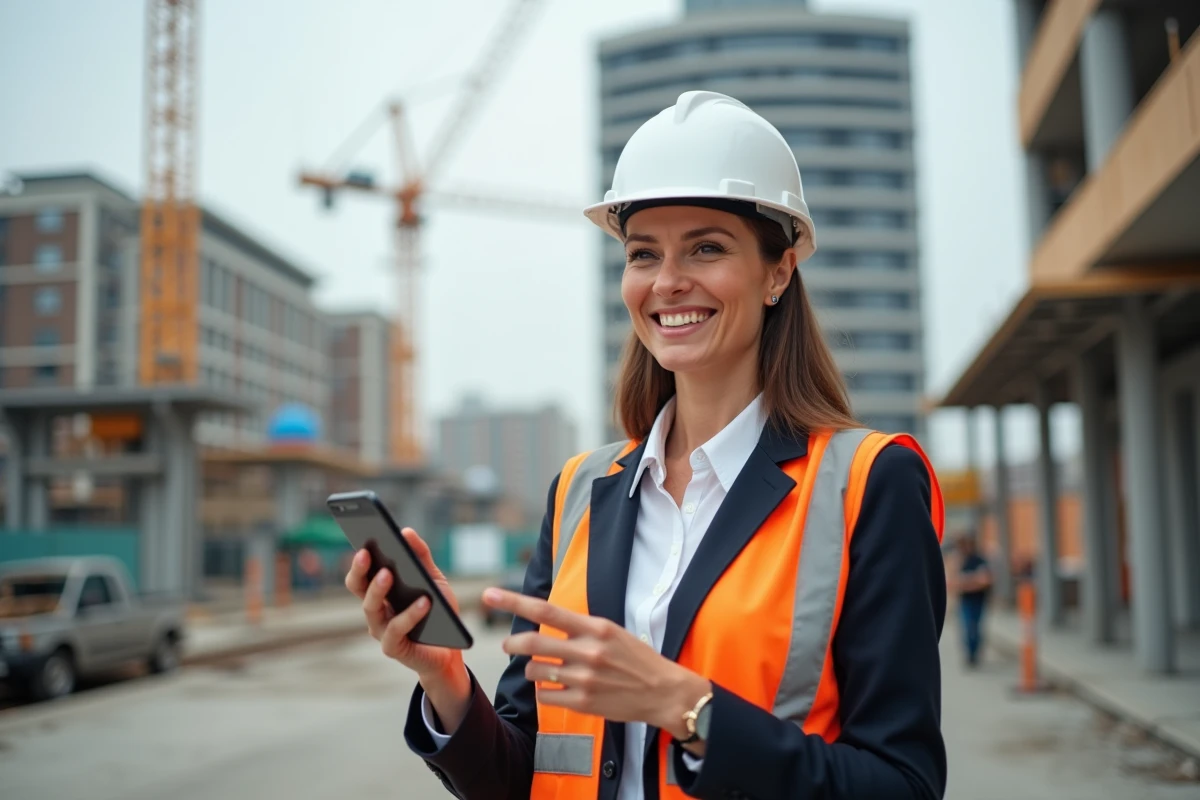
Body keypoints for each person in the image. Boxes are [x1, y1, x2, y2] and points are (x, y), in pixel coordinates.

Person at [344, 91, 948, 800]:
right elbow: (522, 775)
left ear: (778, 271)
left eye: (707, 247)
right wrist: (444, 678)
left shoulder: (868, 483)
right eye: (643, 254)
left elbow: (902, 786)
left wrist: (687, 711)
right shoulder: (580, 489)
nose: (667, 281)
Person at [951, 533, 992, 667]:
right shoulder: (961, 561)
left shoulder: (979, 560)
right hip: (965, 600)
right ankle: (970, 655)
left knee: (976, 627)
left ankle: (975, 652)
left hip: (978, 600)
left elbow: (985, 580)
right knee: (967, 627)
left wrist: (966, 582)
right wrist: (973, 580)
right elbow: (953, 582)